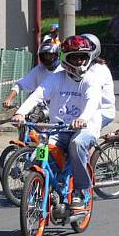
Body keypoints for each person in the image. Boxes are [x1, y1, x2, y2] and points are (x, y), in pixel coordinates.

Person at [11, 35, 102, 210]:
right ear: (65, 59)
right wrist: (21, 113)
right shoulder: (56, 78)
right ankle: (44, 186)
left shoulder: (92, 79)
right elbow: (38, 95)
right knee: (41, 149)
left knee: (76, 144)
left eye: (83, 56)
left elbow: (92, 102)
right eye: (74, 57)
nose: (80, 61)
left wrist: (82, 119)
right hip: (58, 129)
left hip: (85, 128)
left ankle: (80, 190)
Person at [2, 38, 62, 109]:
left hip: (60, 110)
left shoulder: (63, 70)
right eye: (45, 56)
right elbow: (20, 85)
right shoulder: (39, 69)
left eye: (50, 55)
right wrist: (9, 99)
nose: (47, 58)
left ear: (56, 55)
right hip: (42, 111)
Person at [82, 33, 115, 128]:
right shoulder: (82, 67)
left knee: (82, 132)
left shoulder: (99, 69)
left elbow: (93, 94)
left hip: (103, 111)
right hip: (85, 108)